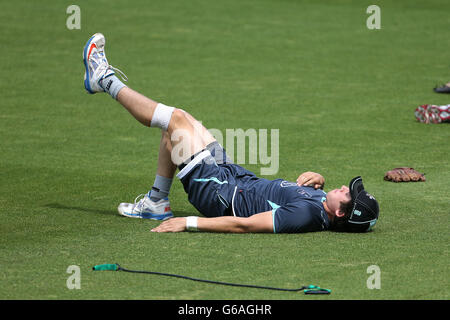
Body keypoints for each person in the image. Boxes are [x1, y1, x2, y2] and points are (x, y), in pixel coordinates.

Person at [82, 33, 379, 234]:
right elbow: (309, 195)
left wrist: (188, 222)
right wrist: (321, 182)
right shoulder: (322, 204)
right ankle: (157, 203)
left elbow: (246, 225)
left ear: (340, 214)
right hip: (231, 175)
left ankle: (103, 80)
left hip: (217, 192)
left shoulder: (305, 216)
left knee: (174, 120)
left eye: (347, 194)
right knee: (182, 122)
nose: (343, 188)